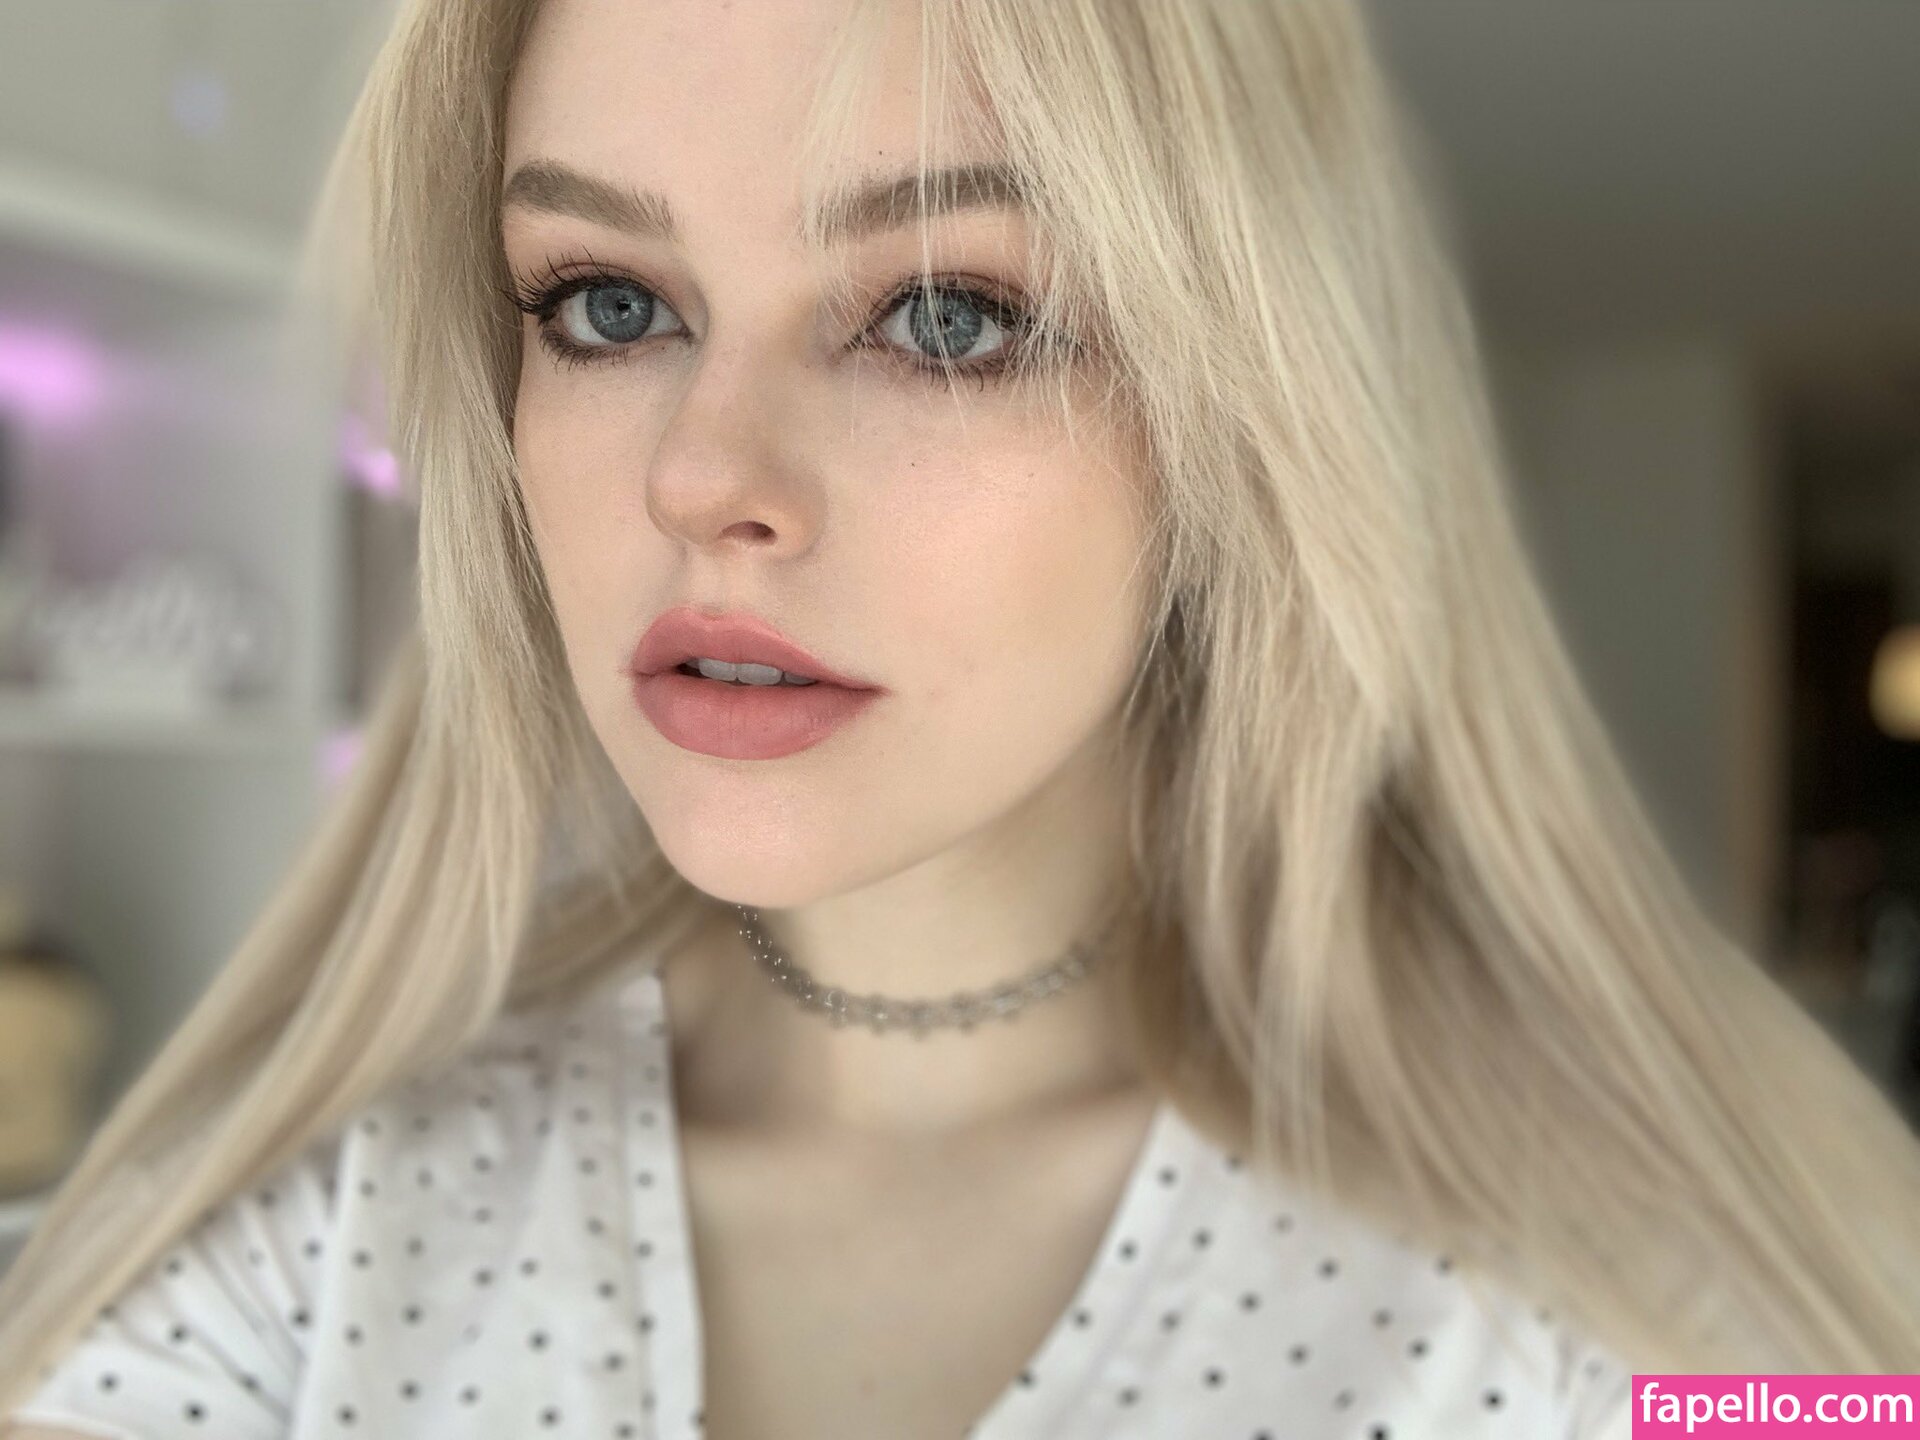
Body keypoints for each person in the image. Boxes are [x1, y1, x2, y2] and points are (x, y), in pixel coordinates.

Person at [5, 0, 1920, 1435]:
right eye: (604, 304)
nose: (702, 478)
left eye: (944, 315)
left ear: (1248, 421)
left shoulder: (1683, 1320)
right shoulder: (297, 1248)